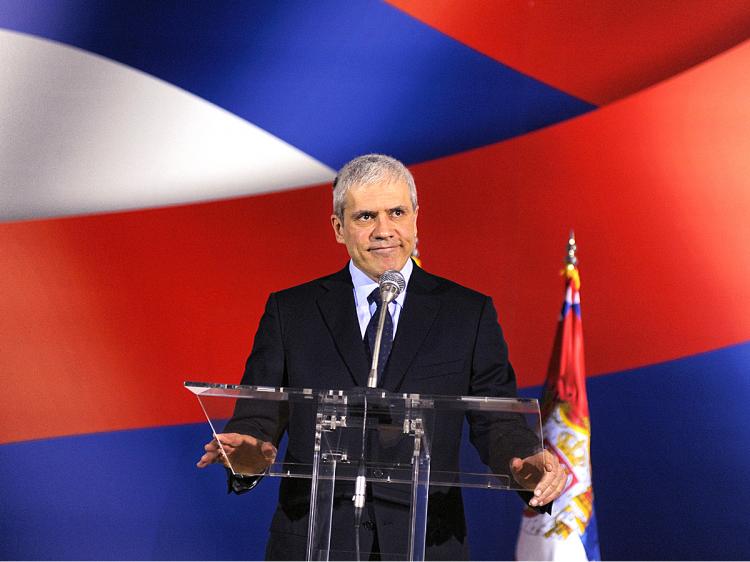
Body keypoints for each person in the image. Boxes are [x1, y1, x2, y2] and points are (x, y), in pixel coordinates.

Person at [197, 154, 566, 560]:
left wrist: (526, 462)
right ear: (339, 228)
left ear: (415, 217)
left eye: (396, 212)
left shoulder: (467, 313)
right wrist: (247, 456)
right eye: (365, 217)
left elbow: (497, 419)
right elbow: (258, 416)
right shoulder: (292, 312)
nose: (384, 230)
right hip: (312, 542)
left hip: (428, 543)